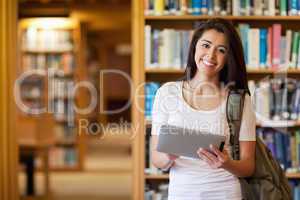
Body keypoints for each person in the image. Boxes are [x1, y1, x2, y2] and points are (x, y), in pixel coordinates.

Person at [150, 18, 256, 200]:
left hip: (226, 193)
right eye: (205, 45)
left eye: (221, 50)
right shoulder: (167, 93)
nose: (211, 55)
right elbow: (156, 159)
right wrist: (169, 156)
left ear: (228, 57)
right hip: (182, 193)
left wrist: (226, 163)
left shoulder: (239, 100)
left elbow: (248, 166)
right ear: (194, 47)